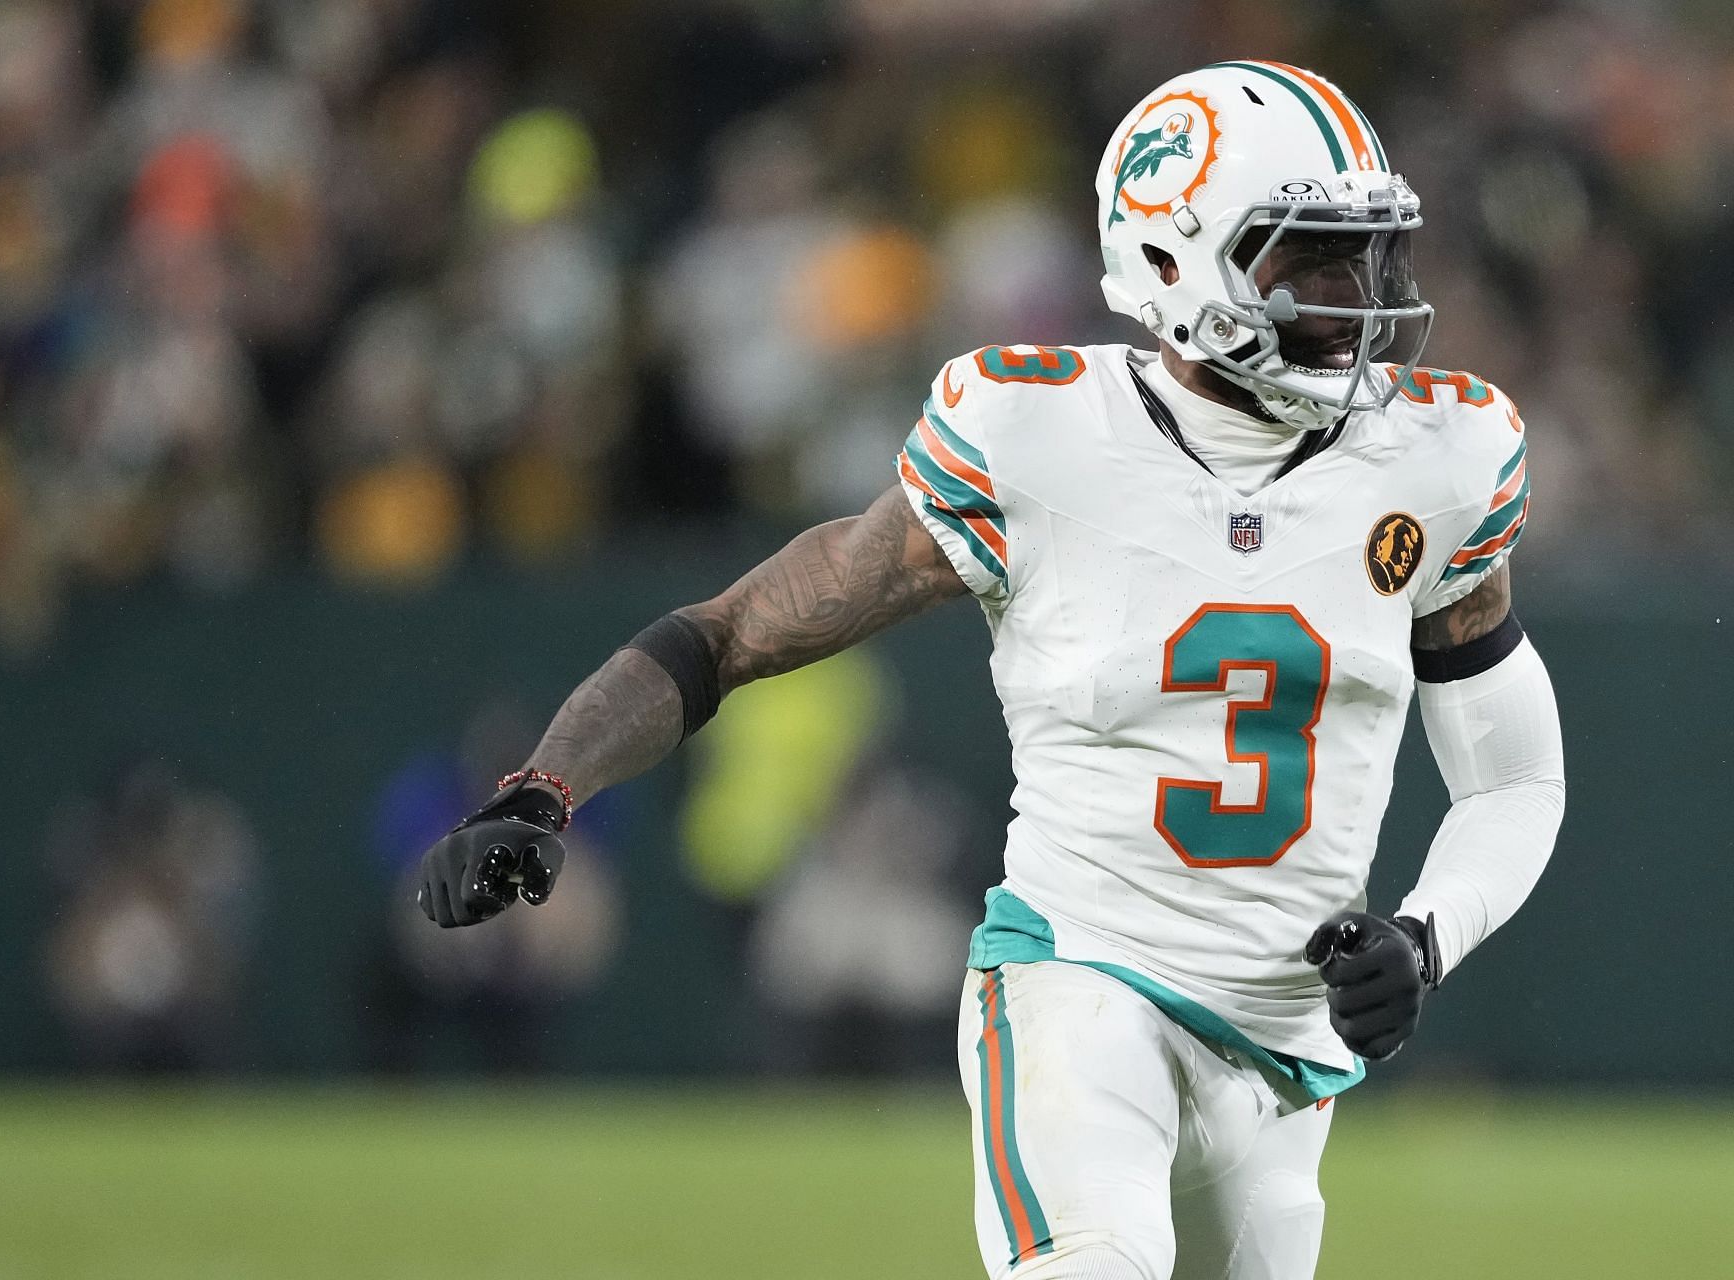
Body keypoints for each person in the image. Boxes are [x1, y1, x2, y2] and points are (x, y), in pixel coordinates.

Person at [415, 61, 1565, 1280]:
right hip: (1077, 980)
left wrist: (1427, 936)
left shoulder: (1437, 457)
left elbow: (1512, 780)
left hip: (1282, 1052)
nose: (1362, 298)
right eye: (1314, 260)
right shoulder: (1037, 437)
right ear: (1175, 265)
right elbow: (731, 631)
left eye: (1371, 257)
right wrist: (546, 787)